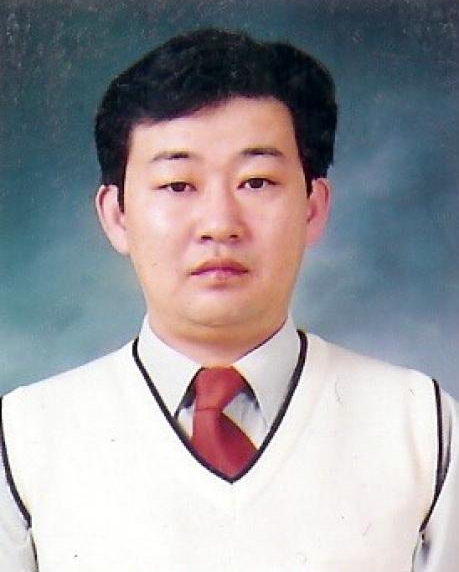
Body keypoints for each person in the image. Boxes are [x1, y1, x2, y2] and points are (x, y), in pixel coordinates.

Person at [0, 28, 458, 571]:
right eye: (178, 185)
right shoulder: (25, 436)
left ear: (313, 208)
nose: (219, 224)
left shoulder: (420, 422)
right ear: (117, 215)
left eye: (256, 182)